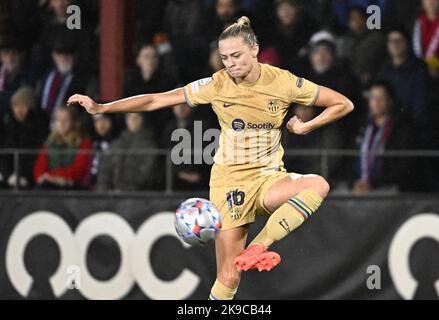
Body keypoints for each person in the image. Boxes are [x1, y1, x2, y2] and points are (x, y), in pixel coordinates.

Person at [68, 17, 354, 300]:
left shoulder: (284, 82)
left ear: (255, 49)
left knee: (317, 185)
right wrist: (103, 108)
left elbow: (343, 103)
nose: (230, 63)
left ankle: (260, 246)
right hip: (229, 183)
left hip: (268, 178)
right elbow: (157, 100)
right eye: (224, 57)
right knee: (229, 276)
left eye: (236, 55)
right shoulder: (216, 84)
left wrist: (307, 125)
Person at [351, 81, 413, 195]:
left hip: (386, 187)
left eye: (381, 98)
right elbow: (350, 159)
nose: (376, 102)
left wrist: (373, 184)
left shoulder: (399, 129)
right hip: (358, 185)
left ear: (390, 100)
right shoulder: (362, 126)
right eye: (373, 97)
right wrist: (354, 182)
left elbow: (401, 167)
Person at [0, 87, 48, 189]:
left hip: (29, 177)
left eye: (23, 106)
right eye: (15, 106)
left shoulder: (40, 126)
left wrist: (23, 175)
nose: (18, 110)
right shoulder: (8, 125)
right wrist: (8, 175)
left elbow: (37, 155)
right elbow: (4, 155)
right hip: (9, 176)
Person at [33, 107, 92, 190]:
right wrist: (49, 178)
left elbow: (80, 169)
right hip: (49, 183)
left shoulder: (83, 142)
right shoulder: (49, 142)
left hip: (71, 185)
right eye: (58, 120)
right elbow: (39, 167)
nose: (61, 123)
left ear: (74, 122)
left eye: (66, 120)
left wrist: (56, 177)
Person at [96, 113, 157, 191]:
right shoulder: (118, 143)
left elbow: (146, 174)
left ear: (143, 120)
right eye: (130, 117)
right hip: (113, 196)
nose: (133, 121)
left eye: (136, 117)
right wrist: (105, 190)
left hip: (138, 195)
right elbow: (104, 171)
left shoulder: (149, 144)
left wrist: (126, 188)